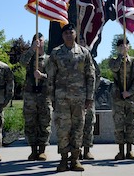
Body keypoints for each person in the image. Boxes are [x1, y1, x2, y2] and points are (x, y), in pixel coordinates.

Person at [47, 23, 95, 172]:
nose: (68, 34)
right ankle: (63, 160)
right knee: (62, 129)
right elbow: (50, 77)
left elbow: (90, 75)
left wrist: (89, 97)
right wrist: (52, 98)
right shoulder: (55, 53)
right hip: (61, 98)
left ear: (75, 34)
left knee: (78, 128)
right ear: (63, 36)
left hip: (79, 99)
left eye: (71, 32)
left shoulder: (84, 52)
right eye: (66, 33)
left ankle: (75, 159)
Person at [19, 33, 52, 161]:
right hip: (30, 95)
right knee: (30, 123)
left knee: (44, 122)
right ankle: (33, 150)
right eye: (35, 40)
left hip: (44, 95)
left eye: (40, 40)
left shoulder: (49, 59)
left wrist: (42, 76)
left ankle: (42, 150)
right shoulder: (30, 58)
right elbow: (22, 62)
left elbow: (55, 77)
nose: (38, 42)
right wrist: (32, 49)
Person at [108, 38, 134, 160]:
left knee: (131, 124)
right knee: (119, 125)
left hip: (130, 98)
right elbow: (114, 69)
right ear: (117, 48)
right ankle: (120, 150)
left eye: (125, 45)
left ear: (129, 47)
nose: (123, 47)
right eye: (121, 45)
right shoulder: (113, 61)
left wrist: (130, 92)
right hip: (117, 98)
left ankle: (130, 150)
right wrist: (121, 57)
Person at [79, 38, 101, 160]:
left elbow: (97, 76)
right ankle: (76, 151)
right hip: (75, 97)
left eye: (85, 42)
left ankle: (87, 150)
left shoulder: (91, 60)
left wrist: (91, 92)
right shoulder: (73, 58)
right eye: (81, 42)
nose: (83, 44)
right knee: (76, 126)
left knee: (89, 124)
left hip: (89, 98)